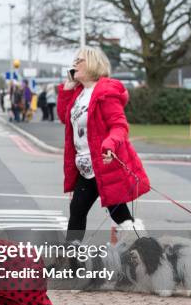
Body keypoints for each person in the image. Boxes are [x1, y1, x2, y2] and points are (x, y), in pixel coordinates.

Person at [57, 46, 149, 243]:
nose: (74, 64)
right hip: (86, 168)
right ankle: (72, 263)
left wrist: (109, 144)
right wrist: (66, 90)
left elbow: (119, 126)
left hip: (105, 165)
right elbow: (64, 118)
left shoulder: (104, 92)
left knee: (118, 213)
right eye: (74, 60)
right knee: (77, 211)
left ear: (92, 64)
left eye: (79, 60)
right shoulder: (79, 93)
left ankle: (145, 251)